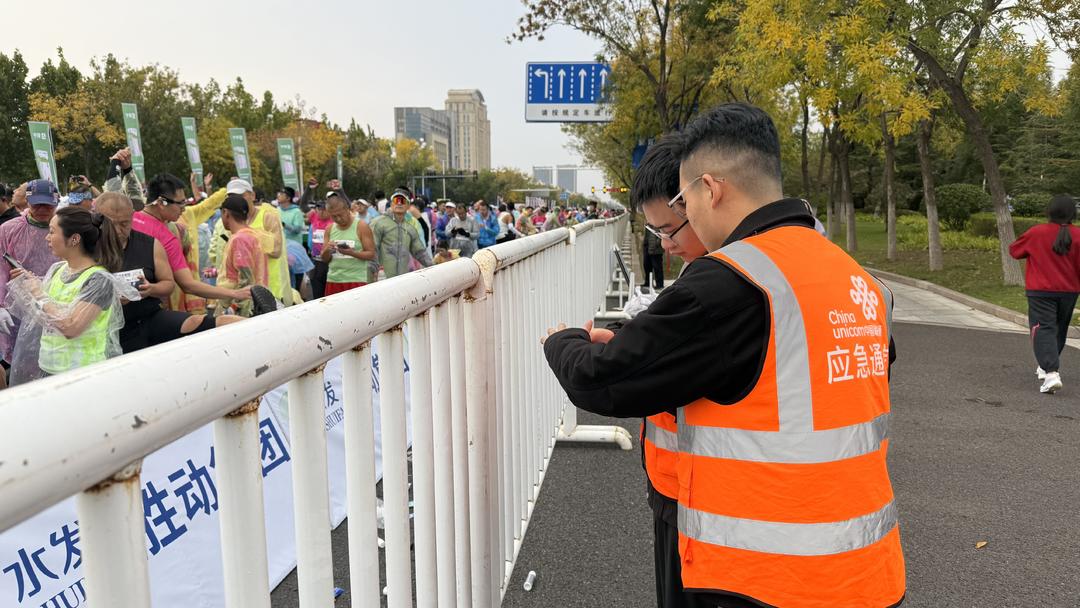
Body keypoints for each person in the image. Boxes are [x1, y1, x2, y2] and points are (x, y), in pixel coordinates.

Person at [542, 103, 905, 608]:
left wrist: (561, 343)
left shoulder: (732, 281)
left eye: (684, 208)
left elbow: (601, 381)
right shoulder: (857, 279)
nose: (683, 224)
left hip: (764, 578)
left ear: (709, 190)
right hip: (865, 569)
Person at [95, 192, 250, 353]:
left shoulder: (152, 243)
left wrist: (150, 289)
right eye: (113, 224)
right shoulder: (88, 247)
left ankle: (265, 328)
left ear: (132, 217)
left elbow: (170, 284)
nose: (119, 231)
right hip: (105, 327)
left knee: (202, 323)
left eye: (125, 224)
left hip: (149, 317)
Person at [5, 207, 127, 384]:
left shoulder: (99, 280)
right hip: (49, 366)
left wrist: (38, 293)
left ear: (75, 239)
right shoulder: (59, 269)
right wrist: (32, 285)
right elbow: (46, 312)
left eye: (52, 232)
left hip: (81, 373)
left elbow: (71, 328)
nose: (47, 237)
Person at [133, 174, 252, 312]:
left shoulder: (169, 235)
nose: (184, 208)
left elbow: (188, 284)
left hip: (149, 308)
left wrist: (235, 294)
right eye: (180, 203)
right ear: (161, 203)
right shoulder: (127, 220)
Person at [1008, 194, 1080, 394]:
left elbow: (1014, 251)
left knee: (1043, 329)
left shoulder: (1037, 232)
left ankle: (1051, 373)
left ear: (1049, 212)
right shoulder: (1078, 235)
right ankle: (1046, 366)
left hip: (1040, 291)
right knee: (1059, 329)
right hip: (1069, 291)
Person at [0, 179, 61, 389]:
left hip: (56, 305)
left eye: (48, 205)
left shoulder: (66, 227)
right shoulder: (9, 230)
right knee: (24, 364)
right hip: (19, 309)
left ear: (57, 202)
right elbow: (0, 270)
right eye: (37, 205)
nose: (43, 210)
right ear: (27, 202)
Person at [217, 194, 274, 316]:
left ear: (226, 213)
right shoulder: (254, 235)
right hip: (256, 299)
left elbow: (246, 279)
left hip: (240, 308)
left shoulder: (240, 239)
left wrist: (234, 308)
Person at [369, 188, 433, 278]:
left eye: (402, 201)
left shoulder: (410, 227)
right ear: (391, 204)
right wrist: (372, 272)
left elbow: (420, 252)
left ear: (408, 206)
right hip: (382, 277)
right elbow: (372, 248)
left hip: (403, 277)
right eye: (396, 200)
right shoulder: (378, 223)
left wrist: (434, 268)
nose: (399, 203)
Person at [321, 195, 376, 295]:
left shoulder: (361, 226)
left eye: (340, 214)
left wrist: (352, 253)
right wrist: (327, 250)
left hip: (356, 279)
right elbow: (325, 259)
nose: (338, 218)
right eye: (334, 216)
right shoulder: (329, 229)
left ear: (347, 209)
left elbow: (371, 254)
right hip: (333, 280)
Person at [307, 199, 334, 299]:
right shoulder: (313, 224)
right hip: (316, 262)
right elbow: (310, 243)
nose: (321, 211)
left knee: (330, 295)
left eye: (324, 209)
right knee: (317, 295)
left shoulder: (334, 224)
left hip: (330, 262)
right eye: (319, 208)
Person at [641, 220, 666, 291]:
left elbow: (662, 235)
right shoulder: (647, 224)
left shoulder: (659, 222)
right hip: (647, 248)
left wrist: (656, 245)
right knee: (646, 266)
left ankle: (659, 285)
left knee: (657, 267)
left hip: (656, 250)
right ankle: (647, 283)